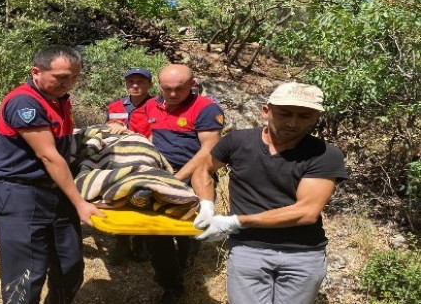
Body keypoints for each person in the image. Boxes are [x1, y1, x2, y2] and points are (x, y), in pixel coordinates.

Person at [192, 82, 349, 304]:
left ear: (316, 118)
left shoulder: (324, 154)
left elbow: (306, 212)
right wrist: (207, 205)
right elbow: (203, 169)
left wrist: (234, 222)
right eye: (285, 113)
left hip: (303, 255)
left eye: (304, 115)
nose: (293, 123)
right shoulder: (237, 141)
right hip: (248, 248)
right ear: (266, 111)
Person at [0, 45, 104, 304]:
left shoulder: (59, 99)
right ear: (36, 72)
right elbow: (48, 155)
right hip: (21, 193)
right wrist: (80, 203)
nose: (68, 84)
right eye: (62, 77)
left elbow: (65, 144)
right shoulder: (25, 102)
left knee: (70, 265)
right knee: (26, 274)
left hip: (55, 190)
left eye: (75, 77)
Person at [144, 64, 226, 304]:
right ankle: (171, 285)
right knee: (156, 232)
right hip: (161, 175)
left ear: (192, 85)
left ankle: (187, 254)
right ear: (159, 85)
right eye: (166, 89)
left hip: (194, 177)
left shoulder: (206, 109)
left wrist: (177, 179)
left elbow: (208, 150)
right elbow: (153, 136)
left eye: (179, 89)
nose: (172, 94)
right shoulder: (151, 105)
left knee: (187, 231)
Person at [104, 68, 153, 265]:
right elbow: (108, 129)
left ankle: (140, 241)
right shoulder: (115, 105)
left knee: (142, 199)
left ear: (149, 85)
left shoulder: (157, 105)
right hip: (117, 159)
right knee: (119, 198)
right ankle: (121, 242)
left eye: (140, 82)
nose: (135, 85)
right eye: (131, 81)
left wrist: (127, 132)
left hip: (145, 159)